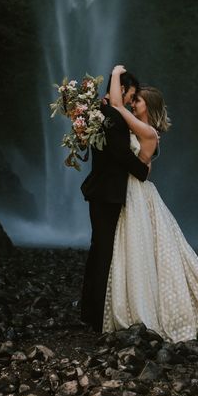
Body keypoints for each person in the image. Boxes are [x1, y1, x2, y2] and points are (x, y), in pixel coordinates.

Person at [102, 64, 198, 343]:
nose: (131, 102)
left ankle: (143, 311)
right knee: (137, 248)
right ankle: (136, 306)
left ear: (149, 106)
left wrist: (115, 74)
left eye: (136, 100)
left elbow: (114, 106)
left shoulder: (147, 131)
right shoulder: (137, 128)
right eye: (132, 98)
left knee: (139, 247)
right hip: (134, 189)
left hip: (137, 193)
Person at [80, 69, 150, 333]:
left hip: (102, 191)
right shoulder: (112, 117)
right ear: (121, 90)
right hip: (107, 193)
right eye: (131, 96)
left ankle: (90, 311)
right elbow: (121, 154)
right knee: (104, 252)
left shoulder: (101, 112)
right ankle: (97, 315)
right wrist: (143, 171)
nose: (132, 102)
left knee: (99, 249)